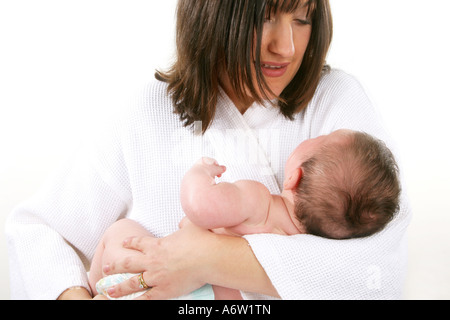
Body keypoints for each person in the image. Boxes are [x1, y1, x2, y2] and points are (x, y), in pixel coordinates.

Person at [5, 0, 411, 300]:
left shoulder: (335, 103)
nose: (286, 46)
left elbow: (380, 266)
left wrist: (204, 258)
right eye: (266, 15)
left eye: (302, 19)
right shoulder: (149, 111)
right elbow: (39, 230)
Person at [88, 129, 401, 300]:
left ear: (295, 178)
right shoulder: (304, 247)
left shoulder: (258, 201)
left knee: (122, 229)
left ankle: (96, 287)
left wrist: (200, 173)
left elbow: (200, 207)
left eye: (317, 141)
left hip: (176, 287)